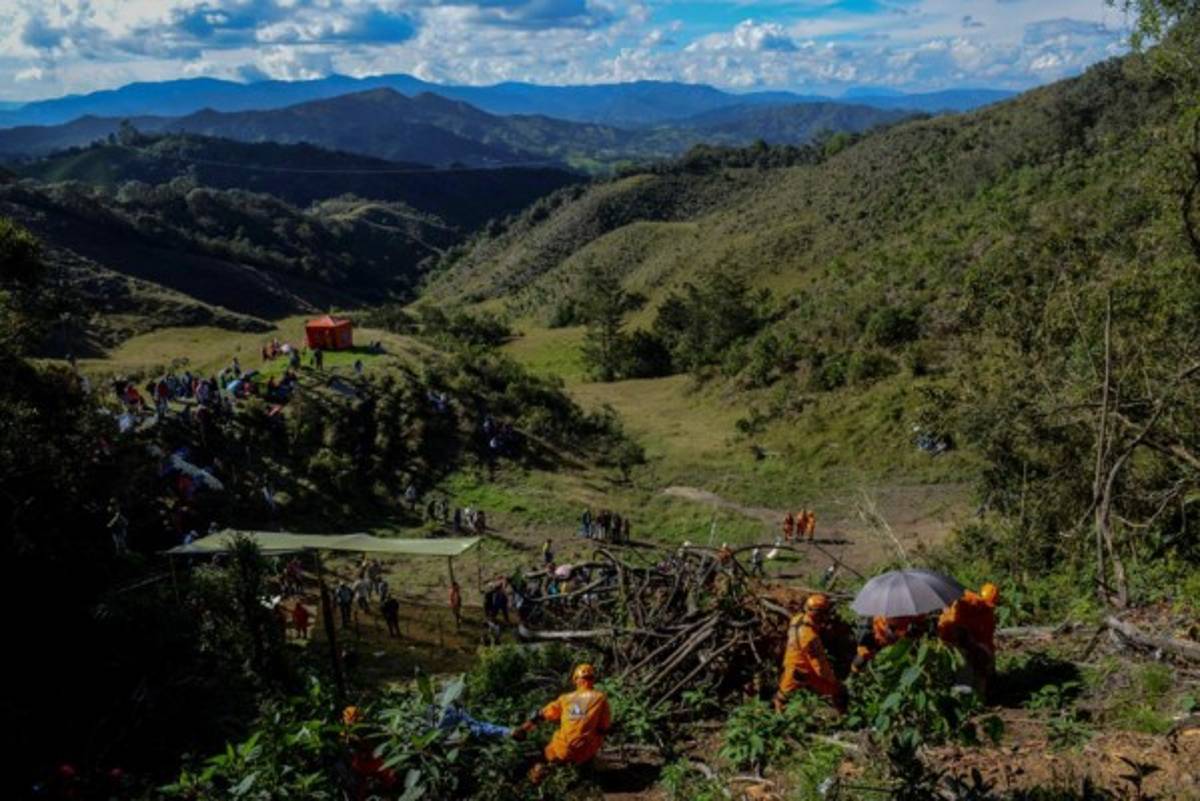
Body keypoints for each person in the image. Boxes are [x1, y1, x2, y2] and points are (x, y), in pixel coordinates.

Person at [513, 664, 612, 785]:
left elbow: (540, 715)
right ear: (593, 679)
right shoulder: (600, 698)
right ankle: (585, 775)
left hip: (563, 748)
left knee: (542, 757)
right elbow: (604, 727)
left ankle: (535, 783)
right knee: (592, 741)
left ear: (576, 680)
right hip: (587, 751)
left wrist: (523, 728)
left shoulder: (566, 698)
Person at [775, 593, 845, 712]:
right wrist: (833, 680)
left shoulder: (797, 619)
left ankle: (779, 715)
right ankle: (841, 714)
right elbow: (820, 666)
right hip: (802, 668)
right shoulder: (810, 638)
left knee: (782, 695)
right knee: (837, 691)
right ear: (818, 614)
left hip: (792, 662)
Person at [938, 583, 999, 697]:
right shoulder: (963, 602)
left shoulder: (986, 613)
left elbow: (987, 636)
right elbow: (955, 625)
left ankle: (979, 696)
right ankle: (960, 694)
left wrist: (988, 654)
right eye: (983, 603)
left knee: (980, 666)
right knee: (962, 668)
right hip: (952, 638)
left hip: (970, 642)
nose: (985, 606)